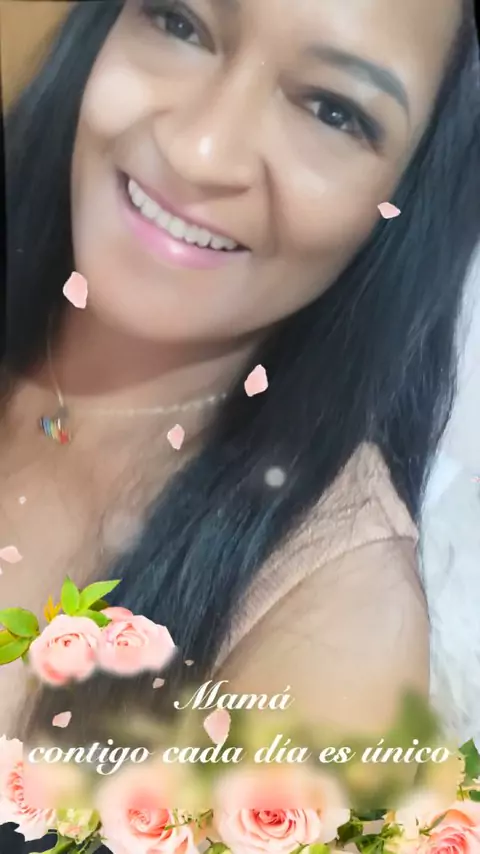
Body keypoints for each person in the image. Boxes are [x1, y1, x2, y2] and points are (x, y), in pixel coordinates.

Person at [0, 0, 479, 845]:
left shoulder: (333, 631)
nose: (201, 149)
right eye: (179, 23)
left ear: (409, 197)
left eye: (333, 111)